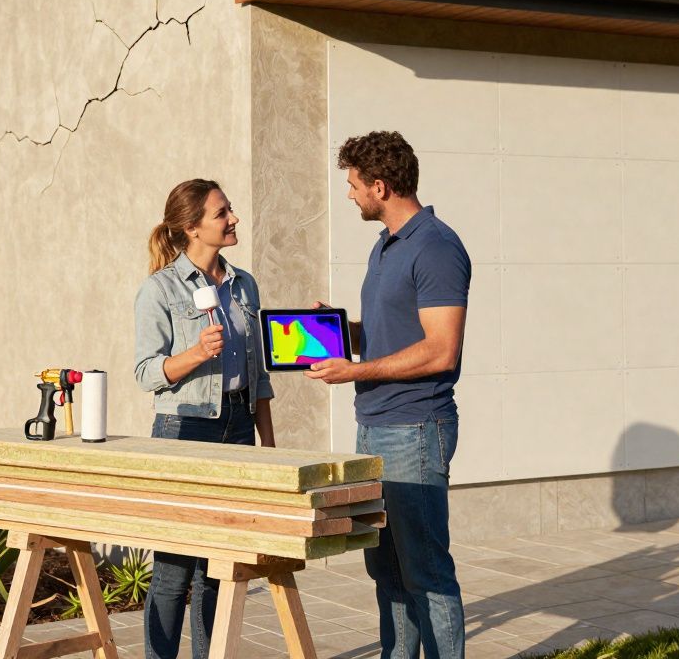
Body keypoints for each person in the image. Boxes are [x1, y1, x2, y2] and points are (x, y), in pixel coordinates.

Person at [305, 131, 471, 659]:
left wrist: (357, 370)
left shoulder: (437, 247)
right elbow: (393, 331)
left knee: (425, 568)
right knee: (385, 567)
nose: (350, 195)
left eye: (354, 185)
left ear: (380, 185)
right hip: (375, 423)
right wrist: (337, 332)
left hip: (416, 427)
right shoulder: (386, 244)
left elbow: (441, 350)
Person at [133, 178, 275, 659]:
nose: (233, 218)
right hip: (184, 429)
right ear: (192, 228)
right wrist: (195, 354)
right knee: (173, 571)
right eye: (223, 213)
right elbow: (145, 372)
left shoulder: (244, 285)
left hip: (238, 427)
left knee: (220, 567)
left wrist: (268, 447)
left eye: (230, 210)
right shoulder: (160, 289)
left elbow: (259, 373)